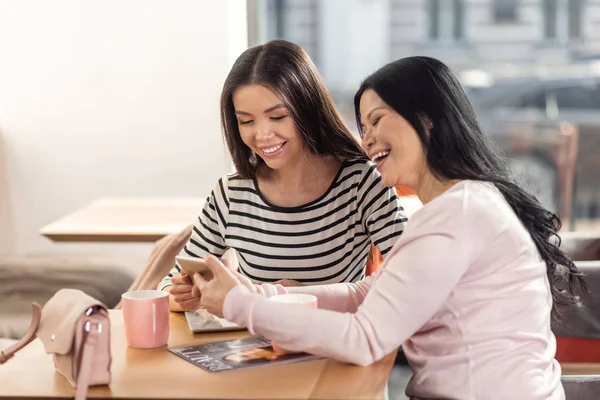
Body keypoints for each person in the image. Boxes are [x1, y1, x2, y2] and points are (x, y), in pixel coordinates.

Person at [192, 56, 586, 399]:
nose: (367, 140)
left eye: (377, 120)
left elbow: (364, 338)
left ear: (427, 120)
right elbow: (370, 291)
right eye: (363, 127)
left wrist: (240, 305)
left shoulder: (458, 214)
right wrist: (265, 292)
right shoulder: (457, 205)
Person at [159, 40, 407, 311]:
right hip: (256, 350)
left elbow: (411, 277)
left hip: (333, 345)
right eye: (246, 121)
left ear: (307, 109)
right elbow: (169, 287)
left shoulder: (361, 183)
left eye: (277, 117)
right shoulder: (231, 194)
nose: (262, 135)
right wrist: (186, 296)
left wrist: (308, 296)